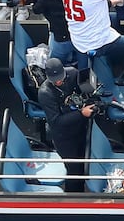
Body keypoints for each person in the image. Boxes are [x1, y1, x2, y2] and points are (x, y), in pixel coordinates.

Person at [36, 57, 95, 191]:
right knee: (74, 170)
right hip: (64, 137)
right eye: (55, 79)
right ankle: (74, 197)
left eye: (60, 78)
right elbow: (56, 122)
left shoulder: (73, 73)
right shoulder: (45, 93)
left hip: (81, 128)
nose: (58, 81)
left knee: (84, 161)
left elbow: (86, 87)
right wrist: (81, 113)